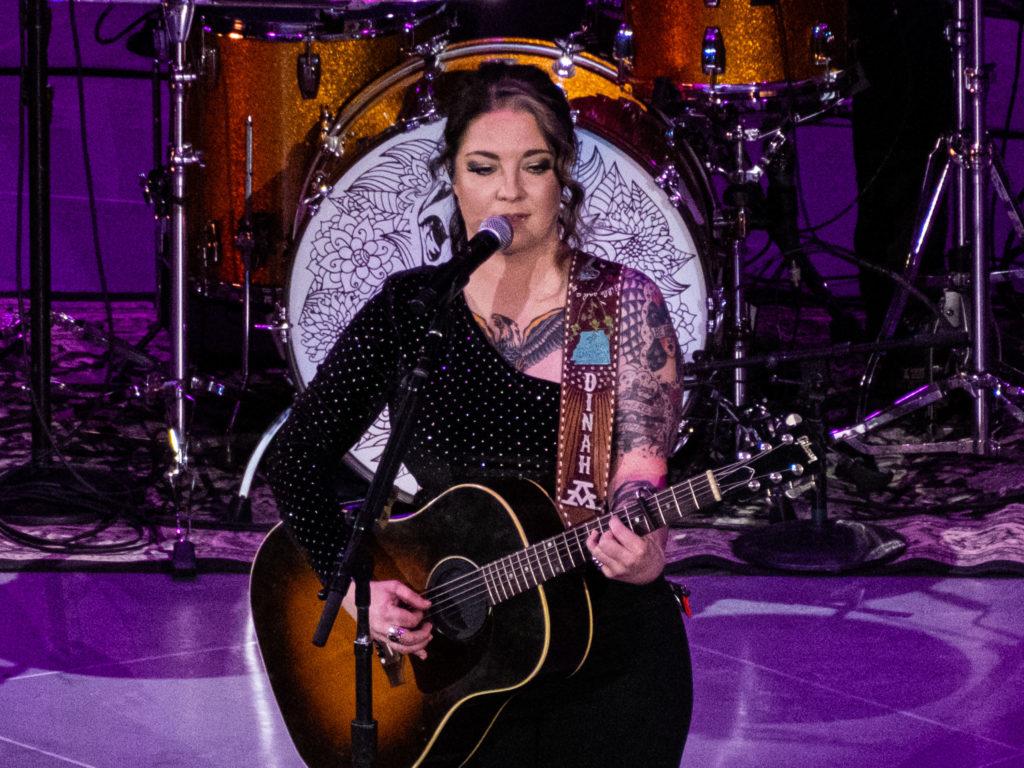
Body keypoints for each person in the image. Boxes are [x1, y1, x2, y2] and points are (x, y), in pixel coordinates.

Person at [264, 61, 692, 767]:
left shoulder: (620, 304)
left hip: (599, 631)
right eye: (483, 167)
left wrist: (642, 538)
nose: (510, 191)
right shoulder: (413, 309)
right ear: (453, 178)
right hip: (455, 661)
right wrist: (361, 587)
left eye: (535, 166)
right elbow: (295, 457)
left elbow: (642, 466)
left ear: (563, 176)